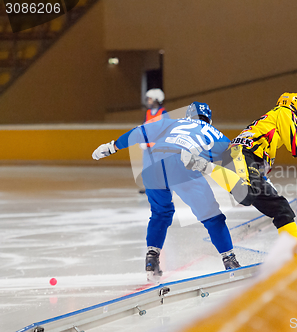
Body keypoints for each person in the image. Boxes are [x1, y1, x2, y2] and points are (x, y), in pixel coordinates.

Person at [92, 102, 240, 283]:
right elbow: (234, 157)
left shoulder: (173, 123)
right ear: (209, 118)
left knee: (161, 213)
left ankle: (152, 258)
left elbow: (140, 132)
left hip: (151, 165)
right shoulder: (214, 133)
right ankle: (229, 260)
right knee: (211, 215)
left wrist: (112, 146)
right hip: (181, 164)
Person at [180, 93, 297, 242]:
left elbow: (259, 162)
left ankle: (294, 251)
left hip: (244, 157)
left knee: (282, 208)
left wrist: (266, 184)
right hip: (242, 154)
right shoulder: (284, 112)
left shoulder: (271, 122)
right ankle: (202, 165)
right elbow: (295, 145)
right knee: (246, 195)